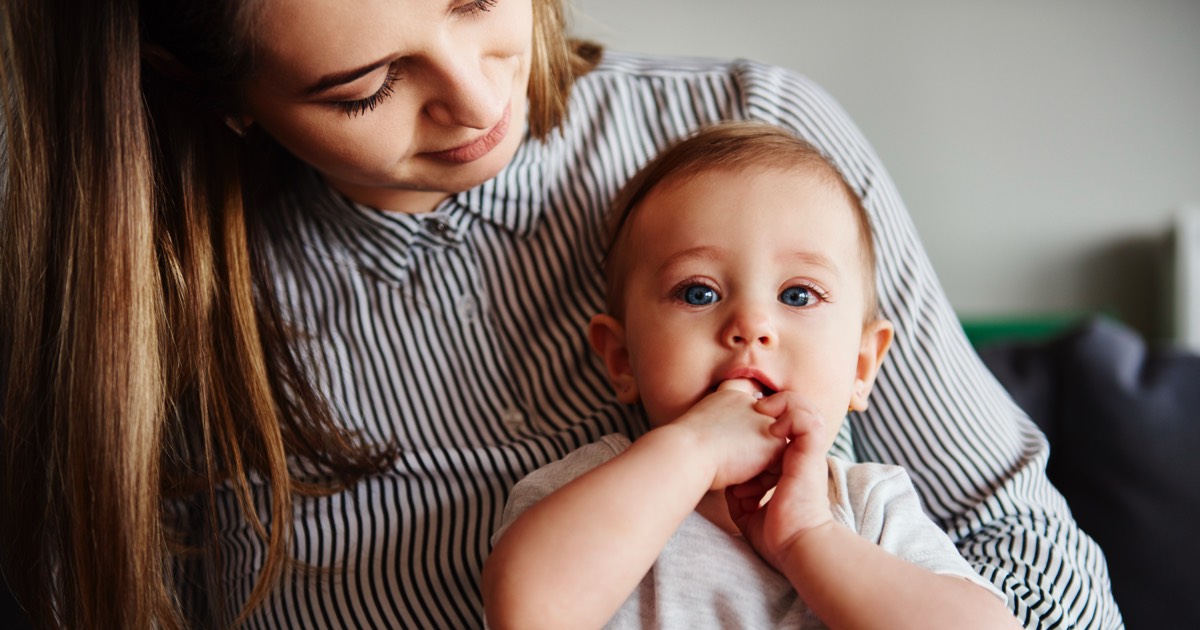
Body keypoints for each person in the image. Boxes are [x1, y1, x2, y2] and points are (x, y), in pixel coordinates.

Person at [0, 1, 1121, 628]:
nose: (484, 101)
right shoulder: (141, 303)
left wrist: (821, 548)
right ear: (219, 97)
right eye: (366, 88)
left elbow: (1017, 547)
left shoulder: (754, 138)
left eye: (476, 2)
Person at [483, 121, 1022, 629]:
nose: (752, 324)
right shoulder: (587, 488)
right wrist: (693, 448)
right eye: (699, 292)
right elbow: (526, 612)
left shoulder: (865, 507)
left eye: (797, 295)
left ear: (861, 367)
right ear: (622, 359)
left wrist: (807, 537)